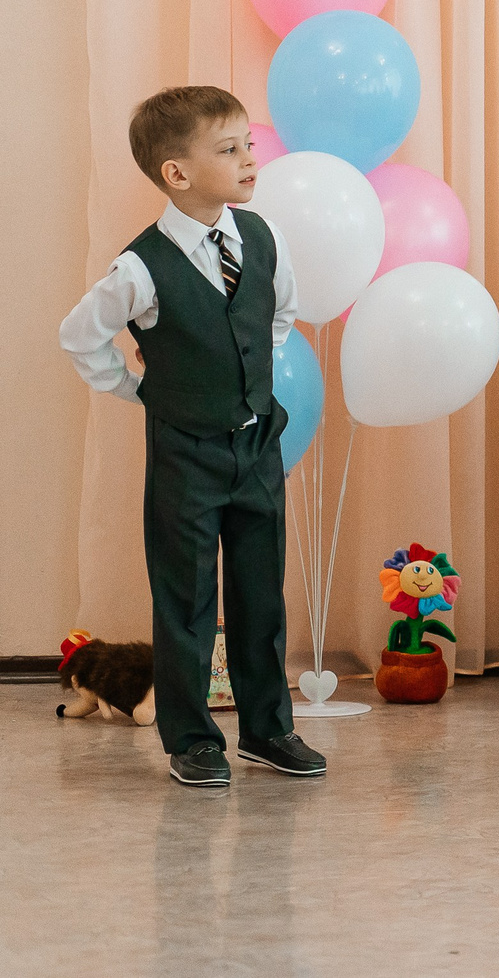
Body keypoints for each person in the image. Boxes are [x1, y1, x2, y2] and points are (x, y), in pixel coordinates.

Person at [58, 87, 321, 789]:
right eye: (229, 148)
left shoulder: (262, 237)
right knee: (187, 600)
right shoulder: (141, 266)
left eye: (249, 144)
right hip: (186, 453)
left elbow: (279, 312)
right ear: (177, 172)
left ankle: (268, 728)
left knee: (261, 593)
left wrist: (244, 376)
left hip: (257, 444)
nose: (249, 158)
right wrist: (141, 388)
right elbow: (79, 336)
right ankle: (193, 737)